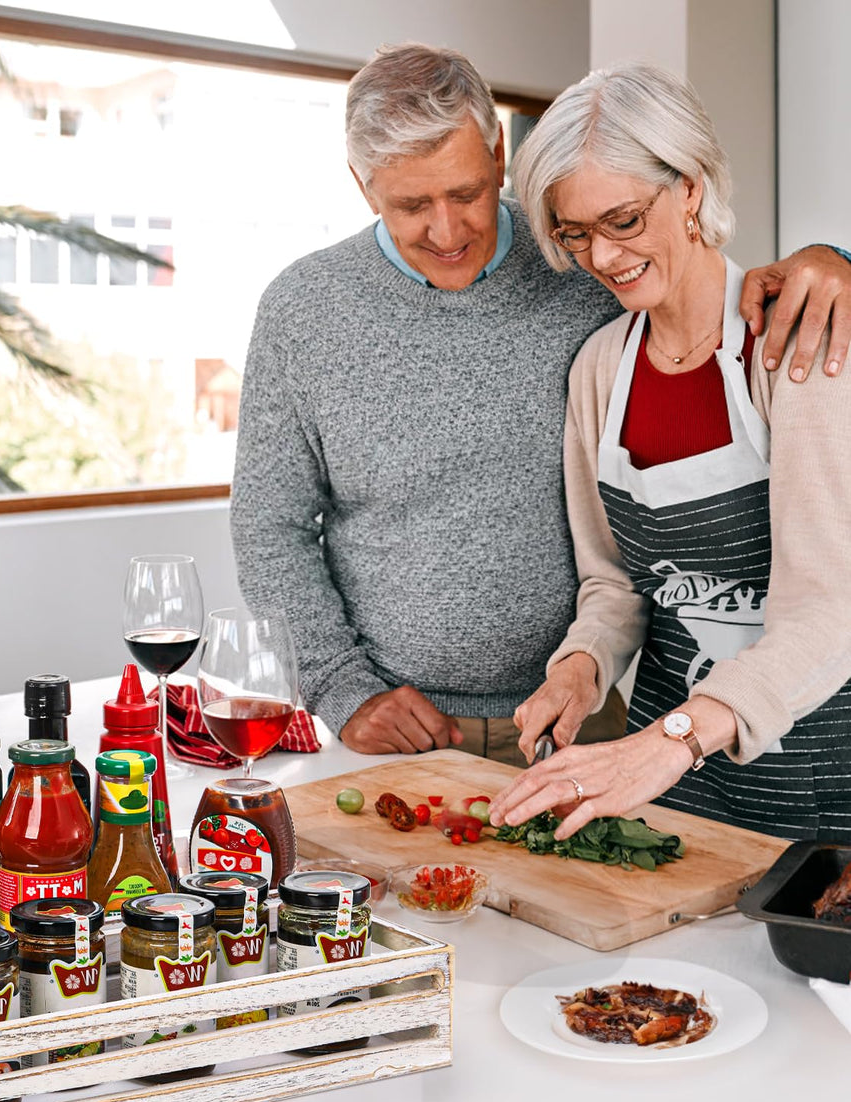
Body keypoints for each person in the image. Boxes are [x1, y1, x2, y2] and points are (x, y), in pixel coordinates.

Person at [230, 43, 851, 767]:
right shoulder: (304, 311)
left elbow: (704, 288)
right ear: (362, 186)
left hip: (588, 719)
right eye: (411, 205)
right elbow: (268, 526)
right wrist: (341, 687)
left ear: (499, 152)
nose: (447, 231)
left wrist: (834, 260)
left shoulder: (582, 262)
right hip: (398, 730)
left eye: (465, 193)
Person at [488, 62, 851, 843]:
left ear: (689, 187)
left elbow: (834, 608)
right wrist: (581, 667)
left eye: (623, 219)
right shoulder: (599, 370)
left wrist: (671, 741)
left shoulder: (796, 345)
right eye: (574, 232)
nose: (602, 256)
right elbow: (617, 581)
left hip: (818, 785)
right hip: (664, 789)